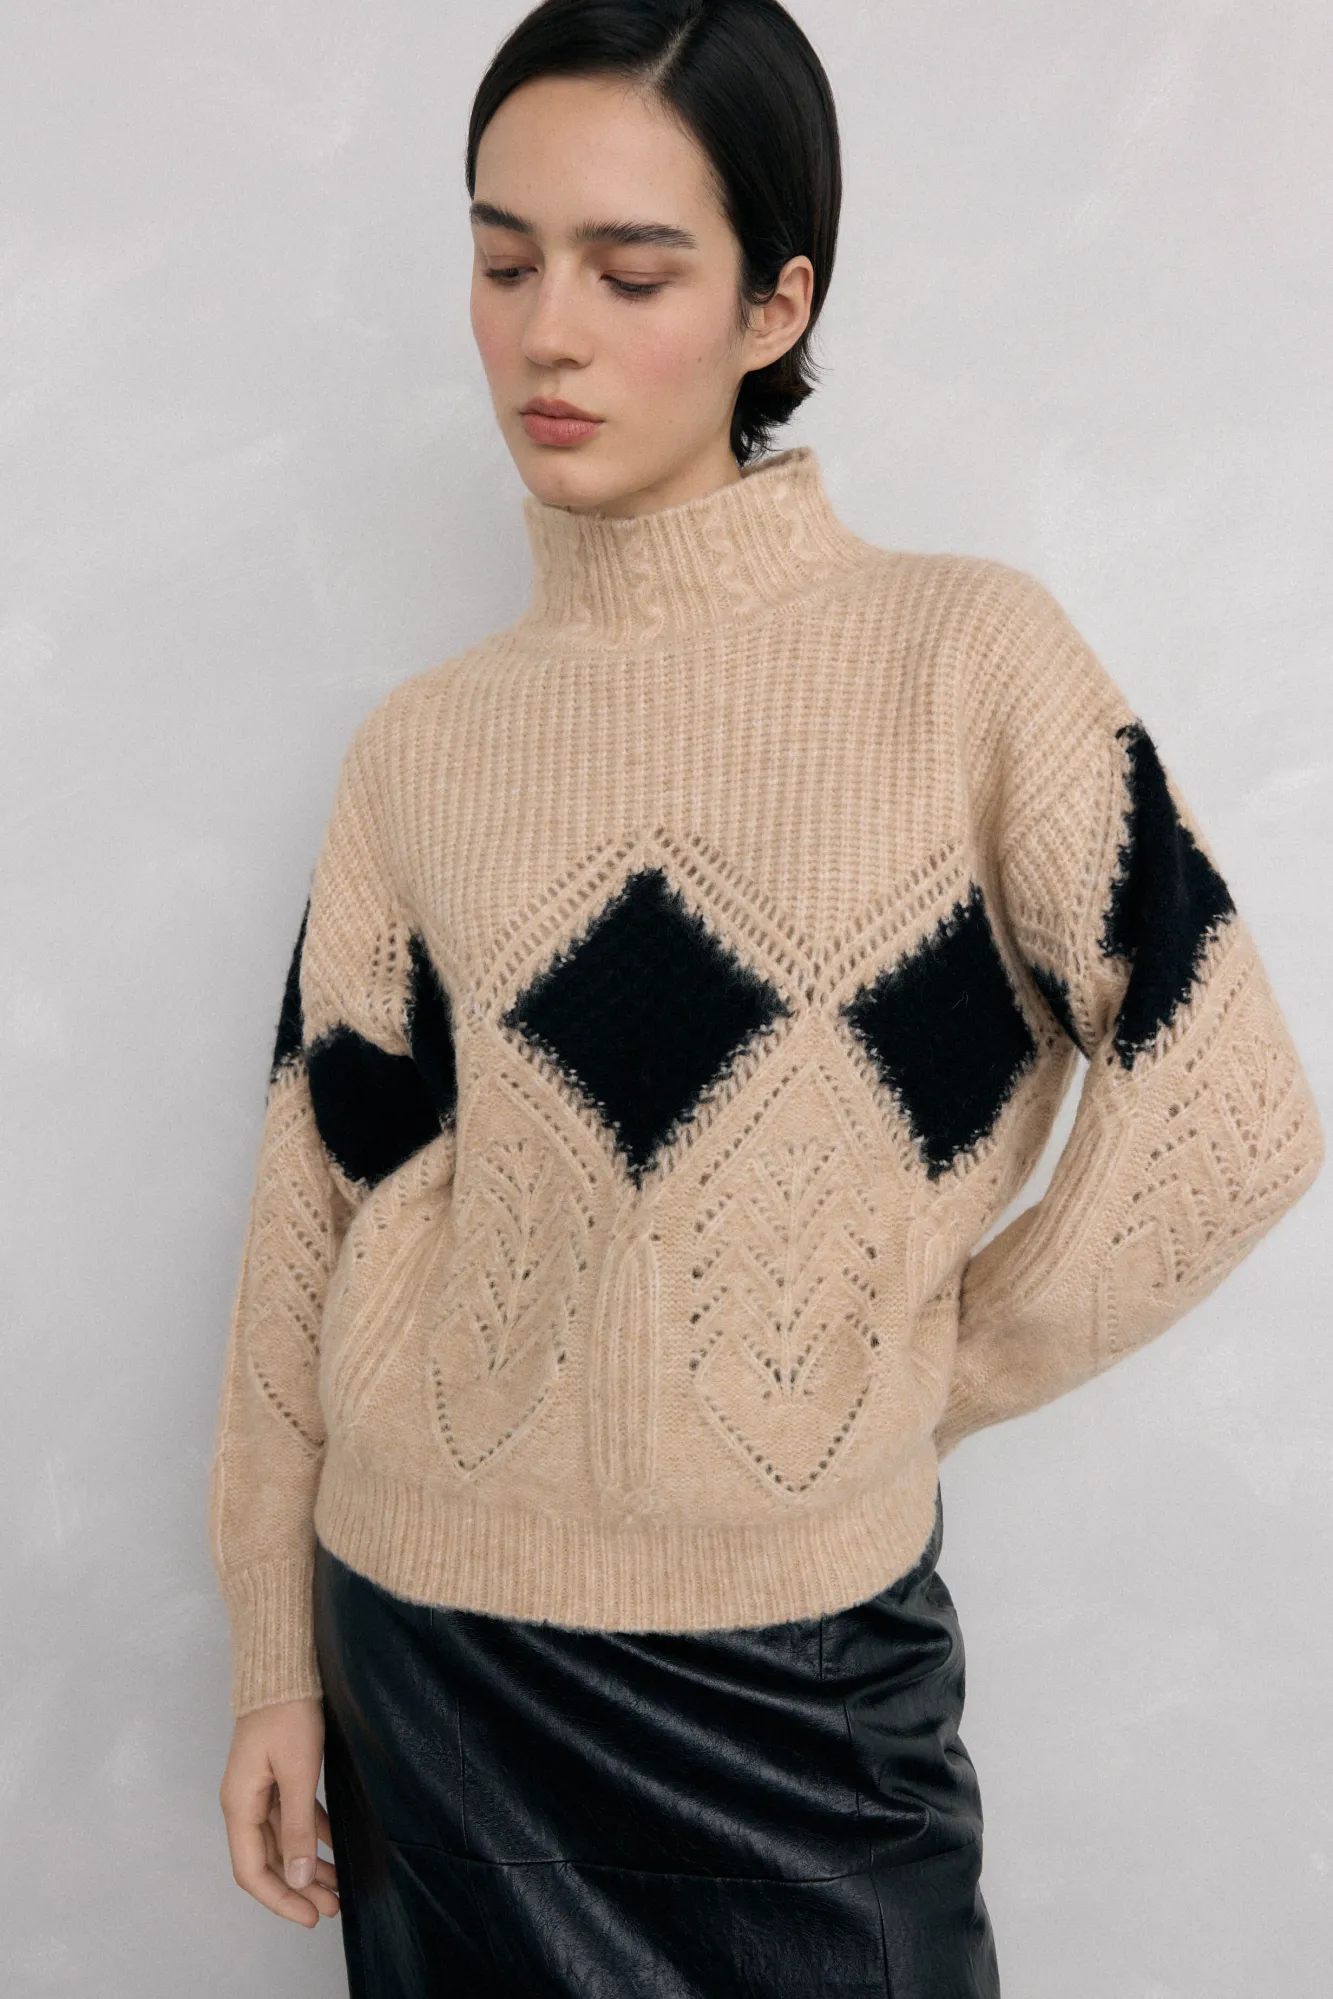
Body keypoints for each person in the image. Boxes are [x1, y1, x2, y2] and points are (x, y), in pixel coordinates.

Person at [208, 3, 1325, 1994]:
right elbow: (316, 1213)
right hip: (440, 1665)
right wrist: (273, 1663)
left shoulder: (966, 665)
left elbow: (1230, 1113)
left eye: (631, 273)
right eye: (502, 261)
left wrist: (906, 1373)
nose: (548, 334)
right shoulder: (424, 749)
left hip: (805, 1685)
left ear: (772, 303)